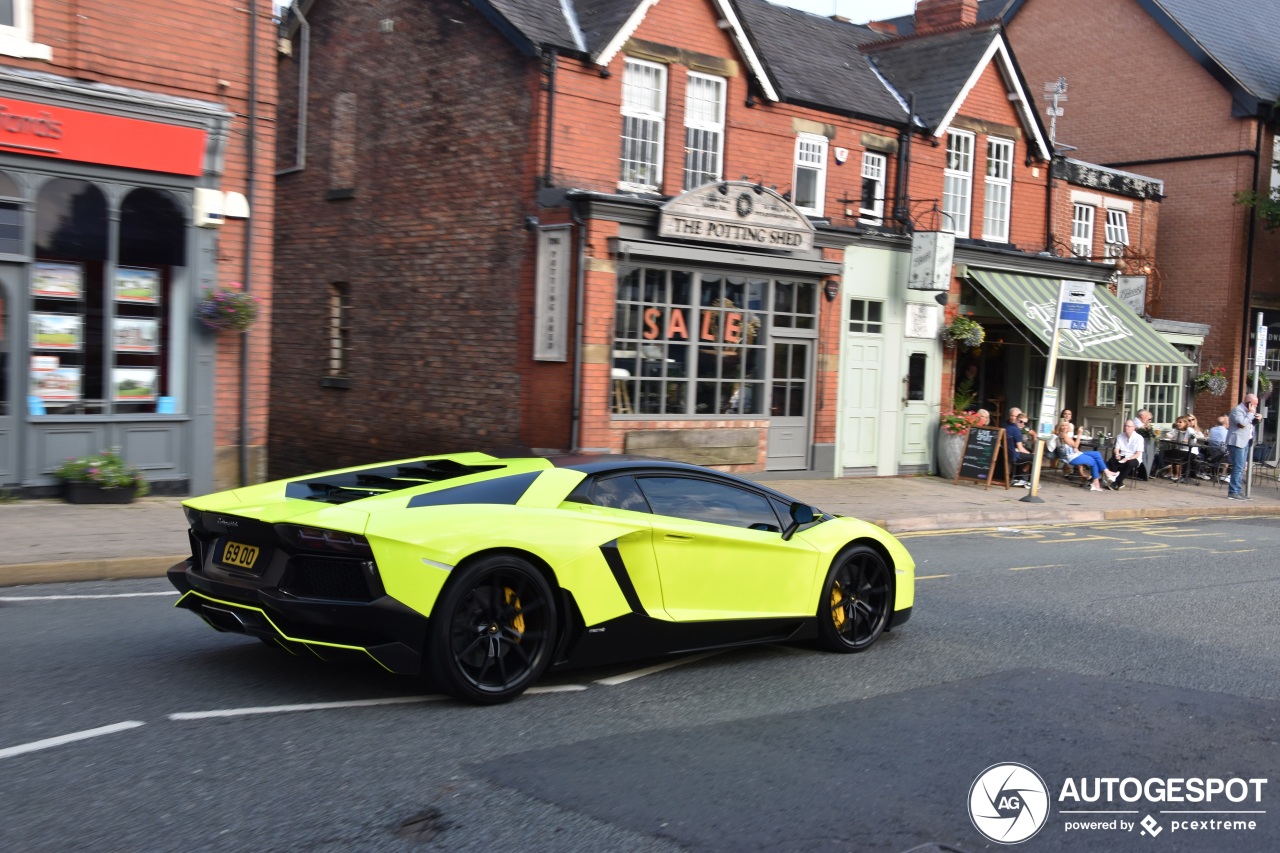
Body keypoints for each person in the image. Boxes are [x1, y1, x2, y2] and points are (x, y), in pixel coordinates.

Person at [1054, 422, 1109, 491]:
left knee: (1096, 454)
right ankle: (1096, 482)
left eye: (1066, 425)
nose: (1065, 427)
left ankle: (1107, 473)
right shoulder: (1063, 435)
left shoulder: (1063, 435)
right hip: (1071, 458)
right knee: (1093, 461)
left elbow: (1070, 446)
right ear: (1059, 427)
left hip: (1074, 454)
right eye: (1063, 425)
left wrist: (1074, 448)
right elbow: (1075, 445)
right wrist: (1079, 434)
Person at [1226, 393, 1259, 500]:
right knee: (1238, 467)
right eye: (1254, 404)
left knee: (1241, 468)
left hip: (1245, 441)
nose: (1256, 406)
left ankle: (1238, 491)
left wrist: (1257, 419)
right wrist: (1250, 414)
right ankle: (1233, 492)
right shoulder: (1237, 410)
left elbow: (1250, 425)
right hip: (1237, 442)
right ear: (1248, 403)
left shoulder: (1248, 412)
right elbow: (1241, 424)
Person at [1104, 419, 1144, 490]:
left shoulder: (1139, 438)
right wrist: (1117, 454)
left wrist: (1128, 458)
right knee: (1112, 460)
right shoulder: (1120, 436)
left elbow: (1138, 454)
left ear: (1133, 428)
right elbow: (1116, 449)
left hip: (1134, 457)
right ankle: (1118, 482)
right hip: (1122, 455)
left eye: (1129, 426)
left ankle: (1116, 482)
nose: (1126, 428)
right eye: (1125, 426)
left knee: (1129, 463)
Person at [1005, 408, 1032, 487]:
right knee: (1034, 457)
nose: (1022, 424)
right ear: (1016, 419)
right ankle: (1030, 481)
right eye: (1021, 421)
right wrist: (1030, 454)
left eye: (1024, 423)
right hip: (1013, 455)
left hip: (1008, 453)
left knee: (1025, 454)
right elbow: (1020, 448)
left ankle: (1018, 477)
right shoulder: (1016, 430)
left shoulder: (1008, 427)